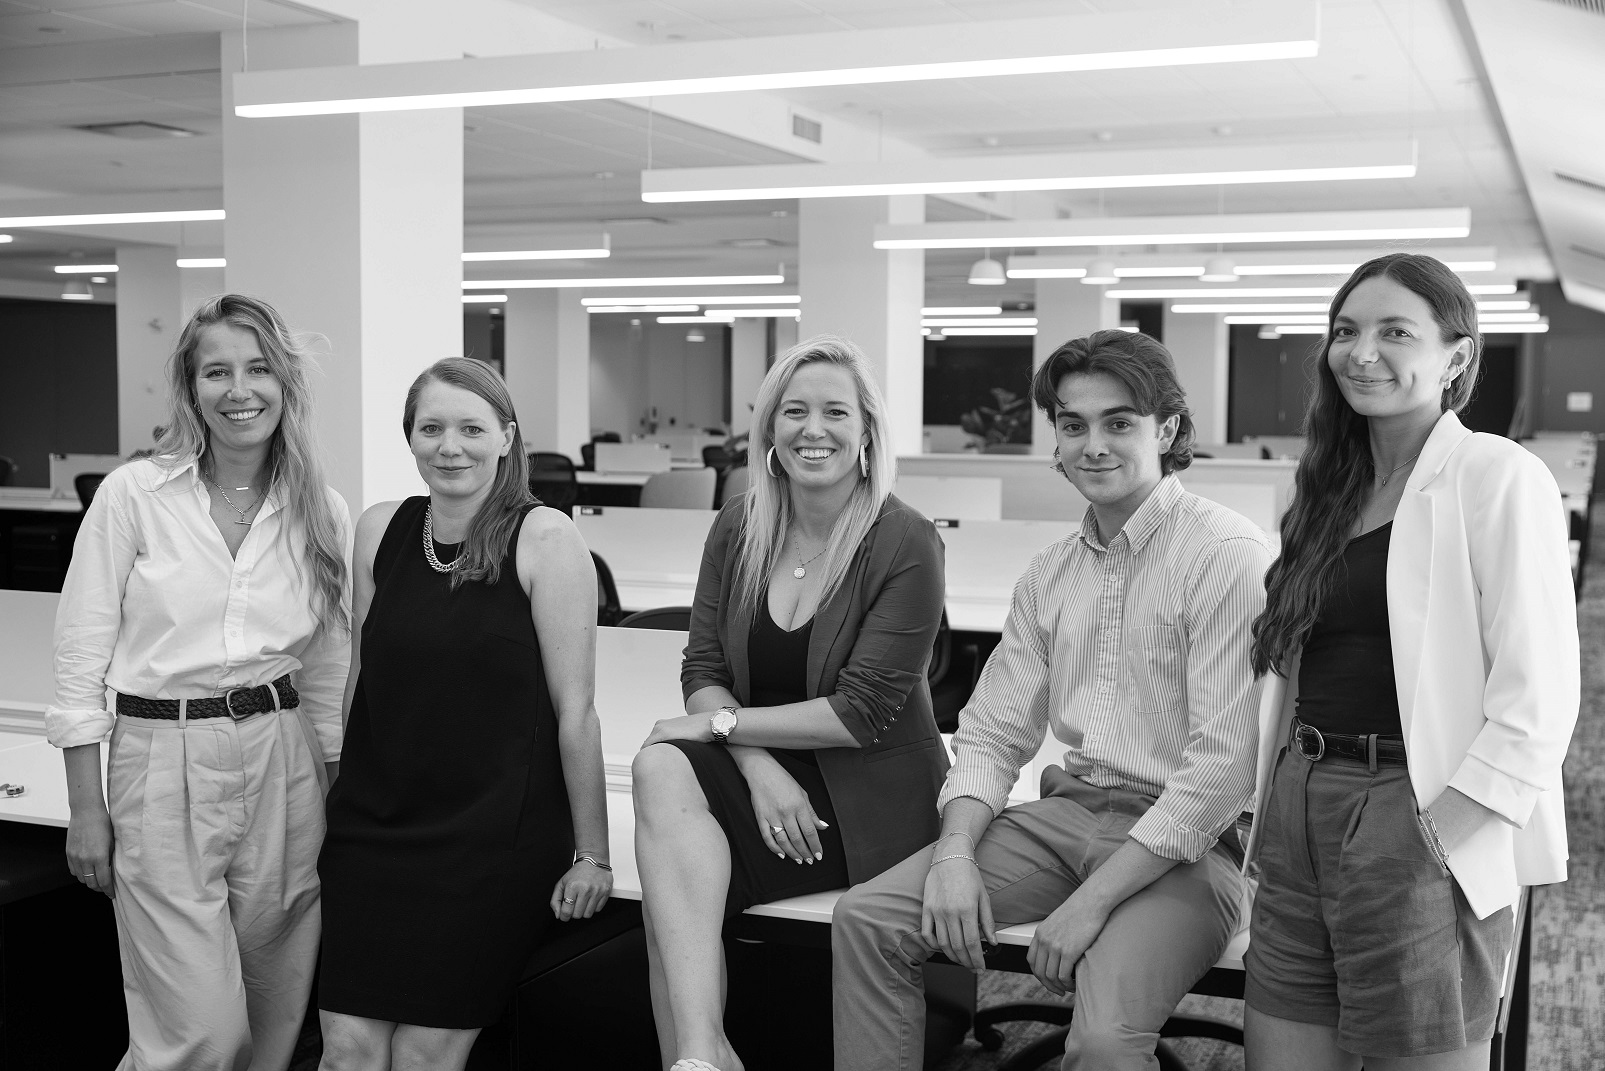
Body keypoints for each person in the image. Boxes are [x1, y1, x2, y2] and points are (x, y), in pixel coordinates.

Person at [833, 329, 1272, 1071]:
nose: (1091, 445)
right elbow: (991, 733)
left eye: (1118, 423)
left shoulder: (1225, 555)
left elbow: (1221, 775)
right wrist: (952, 853)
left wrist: (1090, 903)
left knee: (1102, 1040)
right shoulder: (1049, 571)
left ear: (1165, 430)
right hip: (1064, 814)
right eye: (1073, 425)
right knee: (868, 917)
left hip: (1191, 847)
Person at [1242, 254, 1579, 1069]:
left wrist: (1440, 832)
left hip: (1413, 806)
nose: (1362, 353)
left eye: (1395, 332)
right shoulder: (1320, 488)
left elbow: (1539, 693)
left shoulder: (1495, 475)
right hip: (1300, 800)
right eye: (1346, 331)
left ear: (1455, 358)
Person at [47, 294, 352, 1071]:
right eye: (217, 371)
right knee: (201, 1036)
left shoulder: (321, 509)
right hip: (160, 755)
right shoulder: (134, 496)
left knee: (273, 1010)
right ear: (191, 388)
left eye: (257, 369)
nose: (238, 389)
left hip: (284, 761)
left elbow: (324, 670)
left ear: (285, 384)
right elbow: (81, 661)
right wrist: (87, 807)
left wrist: (336, 791)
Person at [632, 336, 948, 1071]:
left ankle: (697, 1054)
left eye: (835, 411)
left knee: (667, 900)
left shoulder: (904, 539)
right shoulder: (740, 525)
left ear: (866, 431)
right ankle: (704, 1051)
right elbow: (703, 668)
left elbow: (858, 711)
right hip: (767, 776)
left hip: (866, 797)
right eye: (794, 411)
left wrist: (722, 726)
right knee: (659, 770)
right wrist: (752, 759)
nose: (814, 429)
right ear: (768, 429)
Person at [316, 357, 612, 1071]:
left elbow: (577, 713)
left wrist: (592, 851)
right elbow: (363, 673)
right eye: (432, 428)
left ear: (507, 437)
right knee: (348, 1050)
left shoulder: (546, 539)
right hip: (374, 829)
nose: (450, 446)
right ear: (410, 438)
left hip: (490, 835)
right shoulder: (379, 528)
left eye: (471, 428)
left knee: (422, 1054)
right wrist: (336, 805)